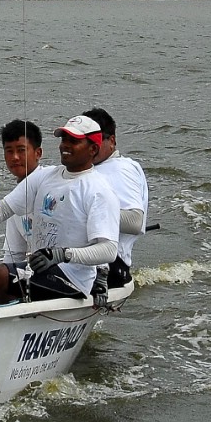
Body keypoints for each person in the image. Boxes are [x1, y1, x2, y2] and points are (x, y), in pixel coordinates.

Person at [0, 115, 119, 304]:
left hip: (72, 280)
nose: (65, 145)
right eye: (64, 139)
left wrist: (63, 254)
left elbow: (109, 250)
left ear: (93, 149)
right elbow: (3, 209)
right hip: (39, 271)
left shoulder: (99, 191)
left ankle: (14, 316)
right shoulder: (45, 176)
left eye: (74, 141)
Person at [83, 105, 149, 290]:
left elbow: (135, 222)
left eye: (94, 139)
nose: (89, 146)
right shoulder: (84, 170)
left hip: (109, 265)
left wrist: (85, 211)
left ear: (111, 140)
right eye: (83, 140)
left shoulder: (121, 169)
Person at [0, 119, 43, 273]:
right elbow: (13, 256)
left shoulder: (51, 184)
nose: (15, 157)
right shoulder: (13, 202)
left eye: (21, 150)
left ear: (38, 153)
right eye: (9, 151)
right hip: (37, 272)